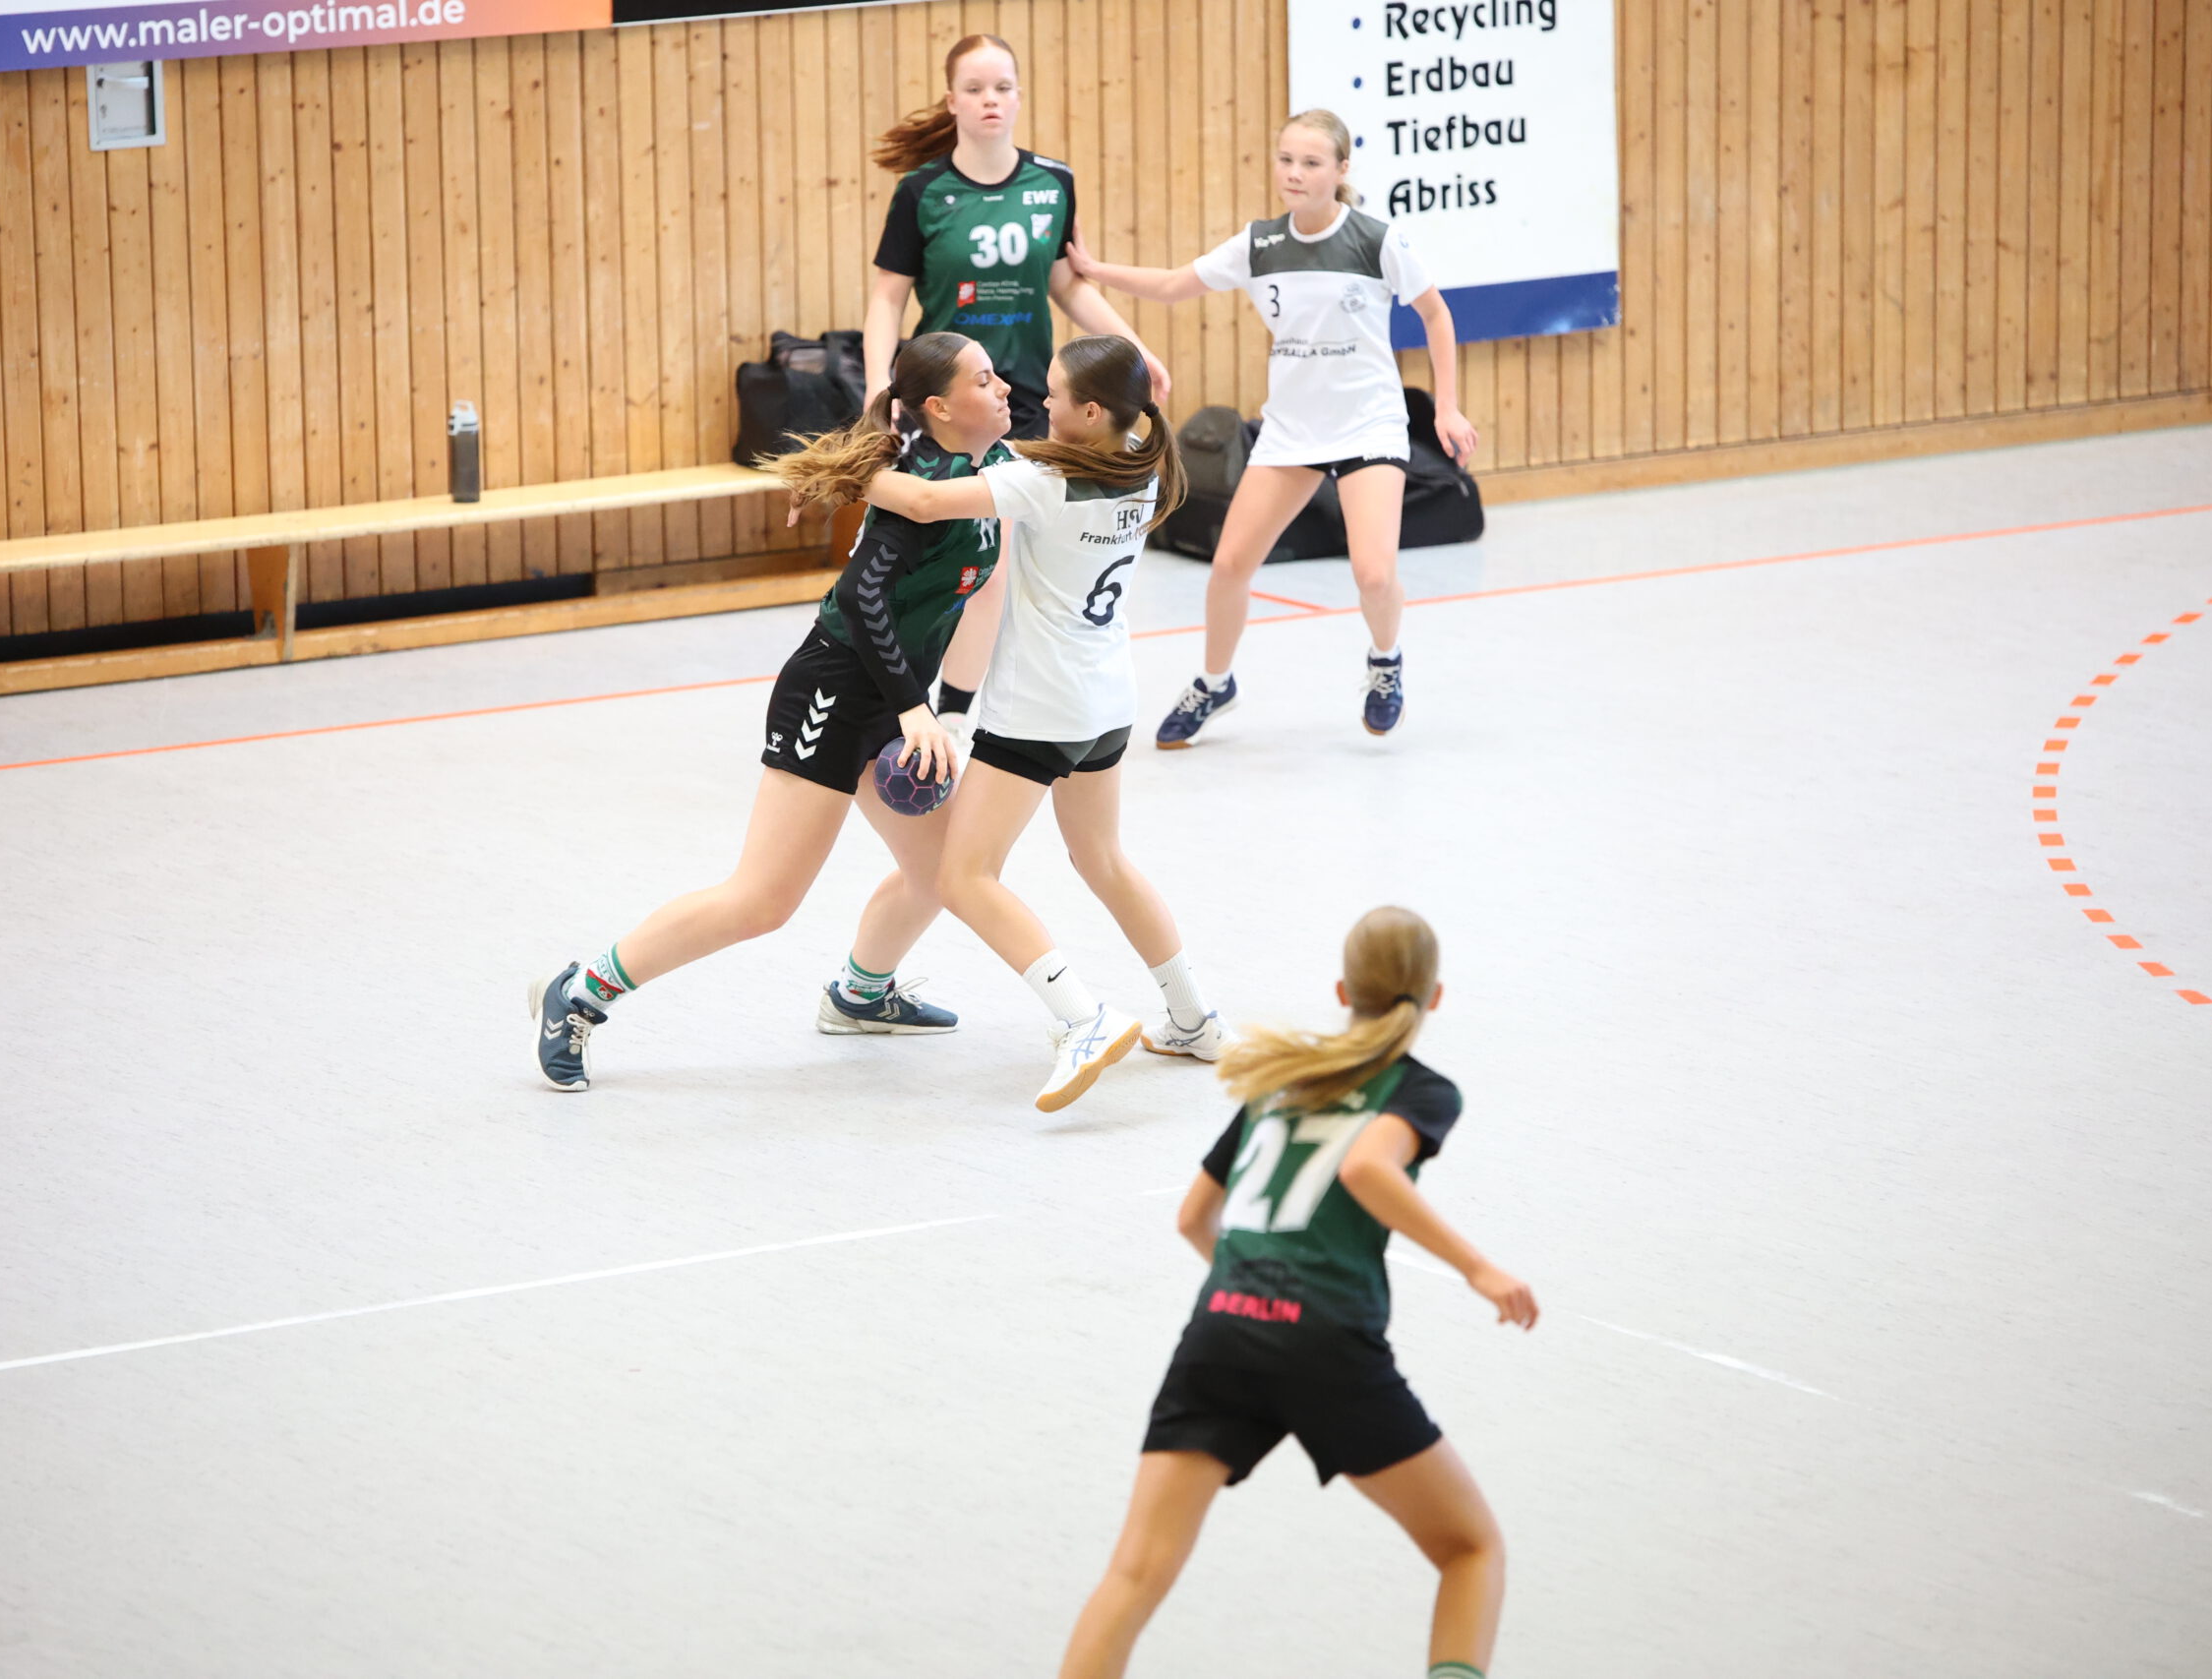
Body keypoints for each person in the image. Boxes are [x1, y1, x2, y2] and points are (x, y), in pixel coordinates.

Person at [1057, 906, 1537, 1679]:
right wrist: (1478, 1267)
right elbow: (1366, 1168)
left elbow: (1193, 1219)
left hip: (1221, 1329)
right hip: (1326, 1341)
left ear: (1344, 990)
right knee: (1470, 1548)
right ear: (1435, 996)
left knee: (1135, 1573)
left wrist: (1250, 1292)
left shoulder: (1278, 1082)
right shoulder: (1418, 1089)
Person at [529, 333, 1012, 1092]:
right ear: (940, 407)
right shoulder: (918, 486)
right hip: (836, 690)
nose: (1005, 387)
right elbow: (863, 598)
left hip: (902, 700)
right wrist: (914, 709)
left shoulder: (993, 473)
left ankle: (860, 994)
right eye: (984, 380)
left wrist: (947, 711)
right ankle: (582, 991)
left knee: (949, 871)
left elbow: (983, 593)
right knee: (761, 901)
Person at [843, 335, 1236, 1111]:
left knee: (963, 875)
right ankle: (1195, 1017)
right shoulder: (1144, 462)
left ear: (1090, 412)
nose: (1039, 401)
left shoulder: (1042, 481)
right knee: (1104, 859)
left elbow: (921, 502)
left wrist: (849, 468)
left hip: (1038, 707)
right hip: (1107, 702)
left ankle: (1080, 1020)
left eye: (1054, 394)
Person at [1072, 110, 1481, 745]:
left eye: (1311, 163)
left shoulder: (1376, 241)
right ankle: (1215, 683)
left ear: (1341, 170)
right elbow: (1175, 285)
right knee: (1230, 566)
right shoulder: (1258, 244)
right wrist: (1096, 272)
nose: (1294, 173)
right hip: (1292, 431)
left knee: (1374, 574)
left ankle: (1385, 663)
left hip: (1370, 426)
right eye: (1286, 159)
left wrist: (1447, 407)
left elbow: (1437, 314)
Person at [866, 32, 1171, 747]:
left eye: (1002, 87)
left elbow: (1067, 284)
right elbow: (886, 298)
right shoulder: (922, 193)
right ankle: (903, 697)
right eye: (975, 89)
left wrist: (1134, 347)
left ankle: (954, 714)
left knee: (995, 568)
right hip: (946, 408)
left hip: (1027, 404)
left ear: (1019, 95)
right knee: (938, 559)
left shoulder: (1051, 183)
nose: (990, 100)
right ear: (952, 101)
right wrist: (881, 388)